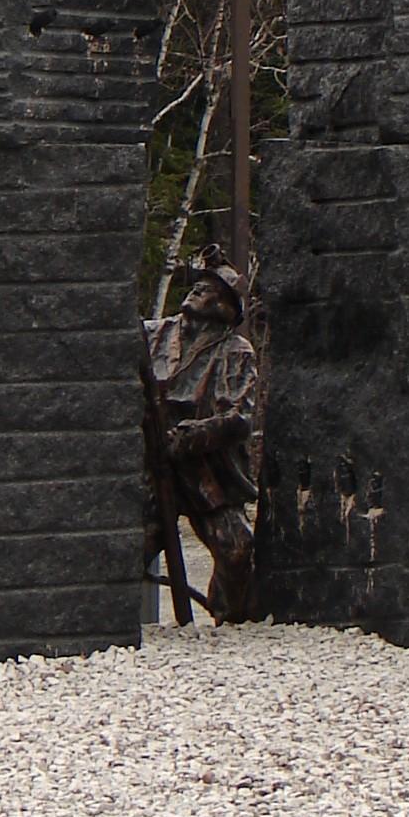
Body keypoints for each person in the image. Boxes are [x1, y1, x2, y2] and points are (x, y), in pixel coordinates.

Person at [143, 250, 259, 624]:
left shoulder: (234, 351)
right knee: (130, 543)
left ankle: (228, 619)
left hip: (205, 471)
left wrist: (195, 434)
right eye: (197, 285)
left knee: (236, 548)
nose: (196, 291)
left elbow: (240, 417)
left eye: (208, 289)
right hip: (155, 465)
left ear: (226, 308)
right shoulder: (155, 334)